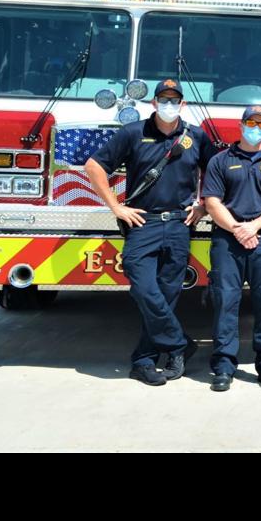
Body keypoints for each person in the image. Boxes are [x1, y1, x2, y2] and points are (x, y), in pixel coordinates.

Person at [83, 78, 213, 385]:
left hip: (181, 224)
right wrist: (117, 207)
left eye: (175, 100)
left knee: (166, 296)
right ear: (153, 103)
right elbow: (93, 166)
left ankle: (144, 360)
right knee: (143, 288)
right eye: (163, 100)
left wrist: (204, 204)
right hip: (144, 222)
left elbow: (215, 171)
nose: (169, 105)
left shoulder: (195, 136)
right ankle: (180, 343)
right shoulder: (132, 132)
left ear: (183, 104)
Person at [200, 105, 261, 391]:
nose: (256, 127)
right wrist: (237, 229)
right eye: (251, 122)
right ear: (241, 126)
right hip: (227, 239)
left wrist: (253, 227)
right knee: (226, 302)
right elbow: (212, 201)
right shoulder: (220, 160)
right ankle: (224, 366)